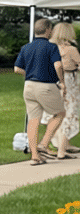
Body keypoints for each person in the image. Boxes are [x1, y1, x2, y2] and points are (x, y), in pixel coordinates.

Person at [13, 19, 67, 166]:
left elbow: (17, 69)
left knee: (33, 120)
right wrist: (62, 82)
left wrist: (30, 74)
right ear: (48, 30)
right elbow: (57, 65)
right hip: (46, 86)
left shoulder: (26, 47)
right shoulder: (51, 47)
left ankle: (35, 156)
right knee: (60, 113)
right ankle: (43, 143)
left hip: (29, 86)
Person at [44, 22, 80, 158]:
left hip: (52, 82)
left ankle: (64, 145)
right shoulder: (70, 49)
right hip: (69, 81)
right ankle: (61, 151)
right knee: (68, 114)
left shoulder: (48, 48)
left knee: (56, 113)